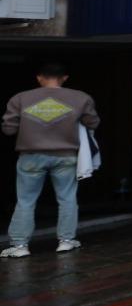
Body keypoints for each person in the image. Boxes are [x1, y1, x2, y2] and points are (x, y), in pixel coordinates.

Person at [3, 63, 100, 257]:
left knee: (25, 201)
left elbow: (8, 129)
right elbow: (93, 122)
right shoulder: (81, 97)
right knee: (67, 198)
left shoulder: (20, 98)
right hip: (66, 156)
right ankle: (66, 241)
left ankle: (20, 246)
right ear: (64, 78)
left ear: (39, 78)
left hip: (30, 157)